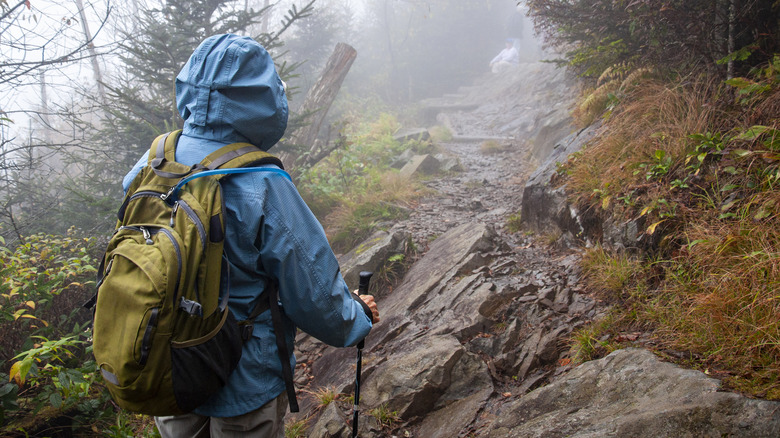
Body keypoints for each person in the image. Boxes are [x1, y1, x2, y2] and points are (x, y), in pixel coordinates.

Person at [121, 34, 380, 437]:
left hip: (167, 365)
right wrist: (357, 316)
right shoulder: (262, 182)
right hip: (243, 375)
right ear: (261, 99)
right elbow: (313, 290)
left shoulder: (153, 161)